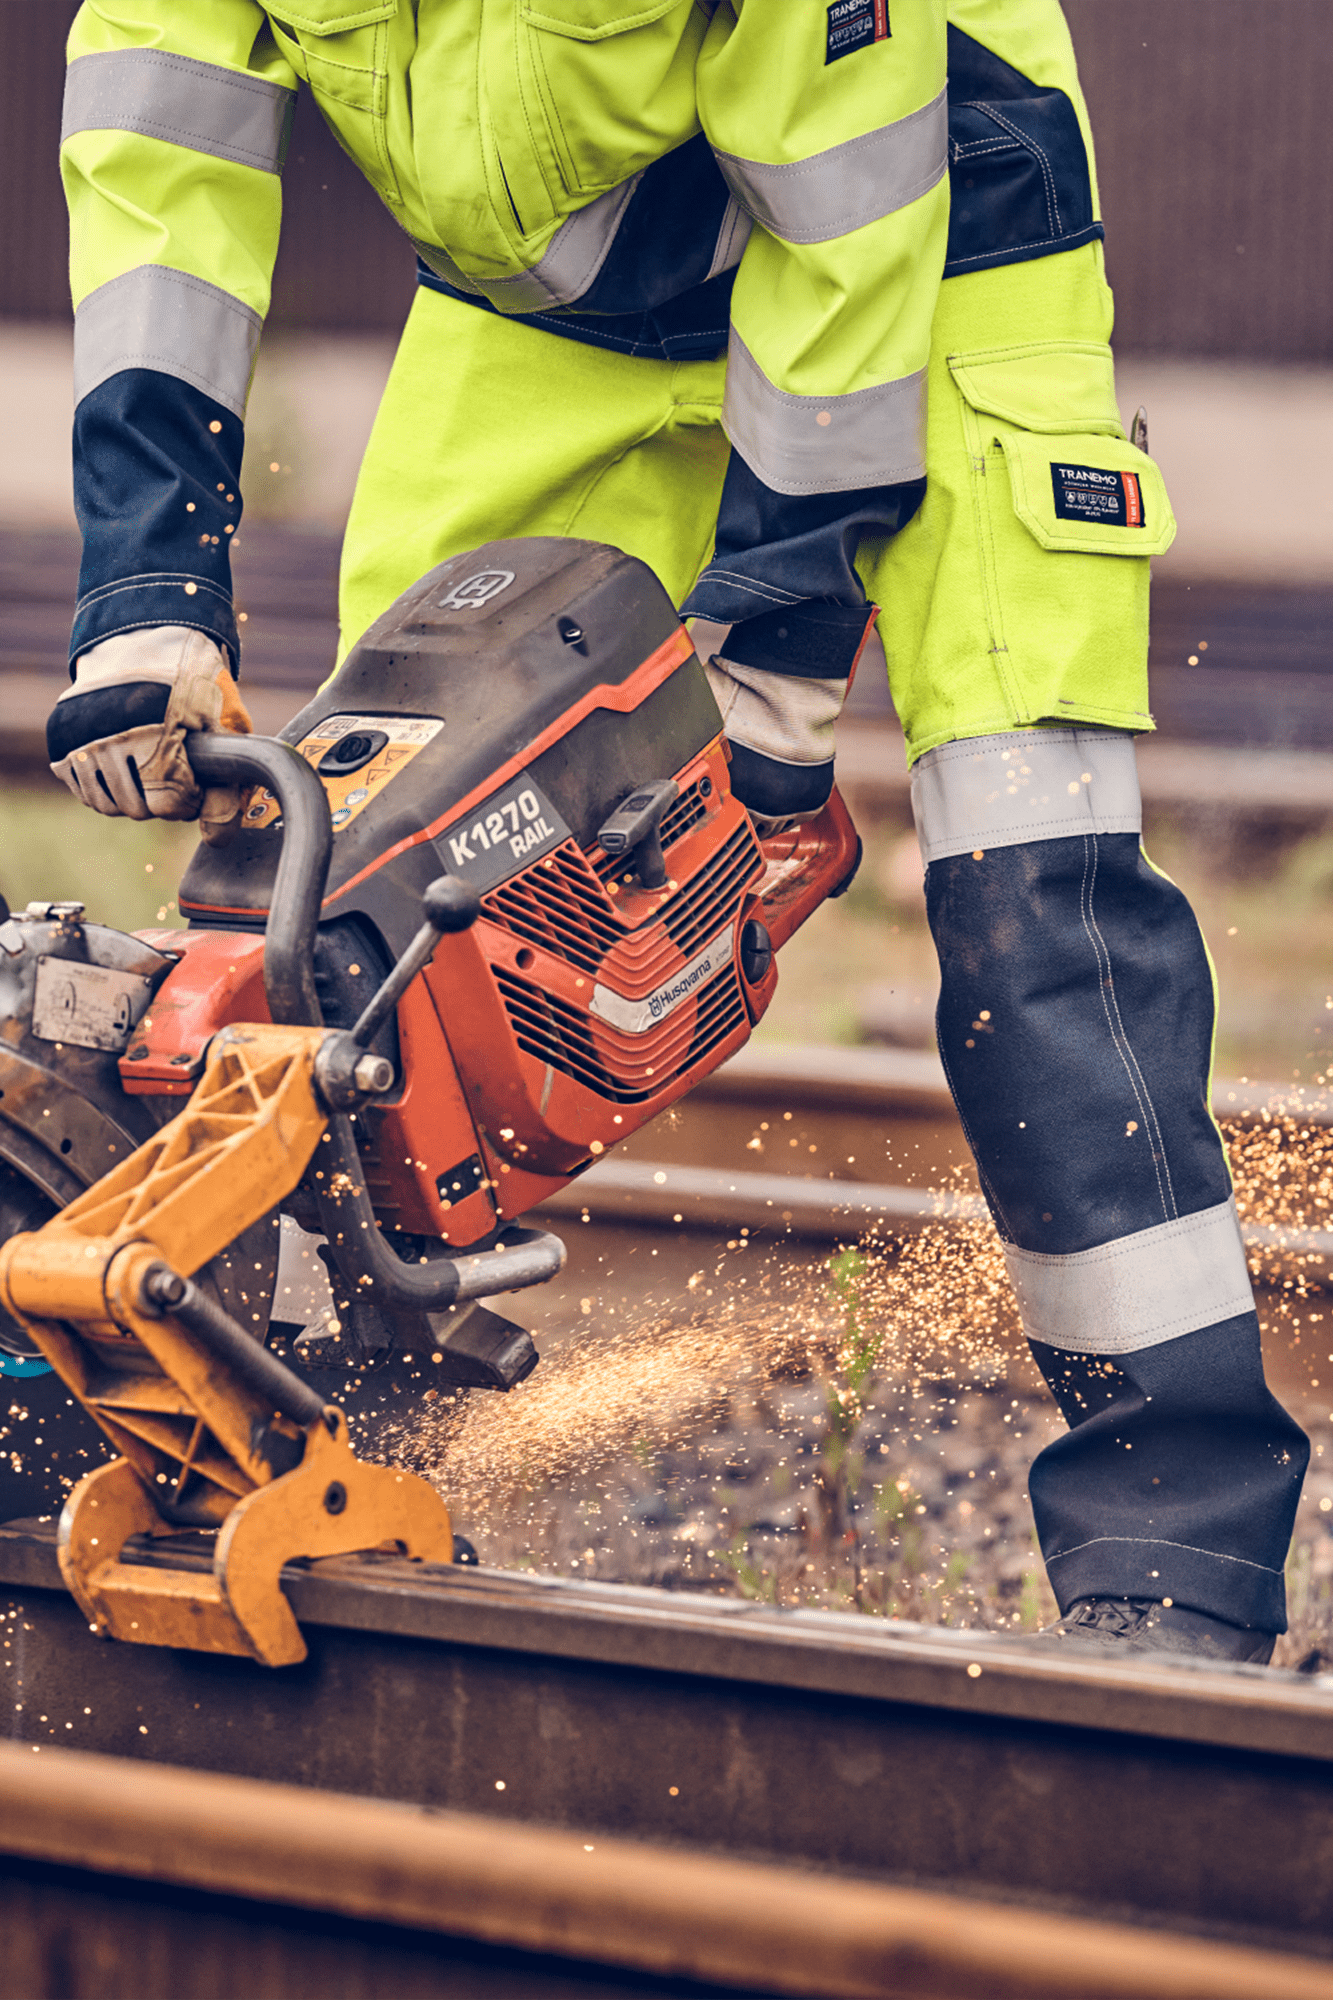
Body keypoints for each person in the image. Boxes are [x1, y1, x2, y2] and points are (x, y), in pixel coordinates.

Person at [51, 0, 1307, 1660]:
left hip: (932, 251)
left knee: (1032, 895)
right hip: (539, 323)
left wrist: (777, 683)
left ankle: (1177, 1555)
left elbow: (847, 215)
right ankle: (319, 1461)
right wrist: (146, 588)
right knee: (366, 896)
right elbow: (164, 156)